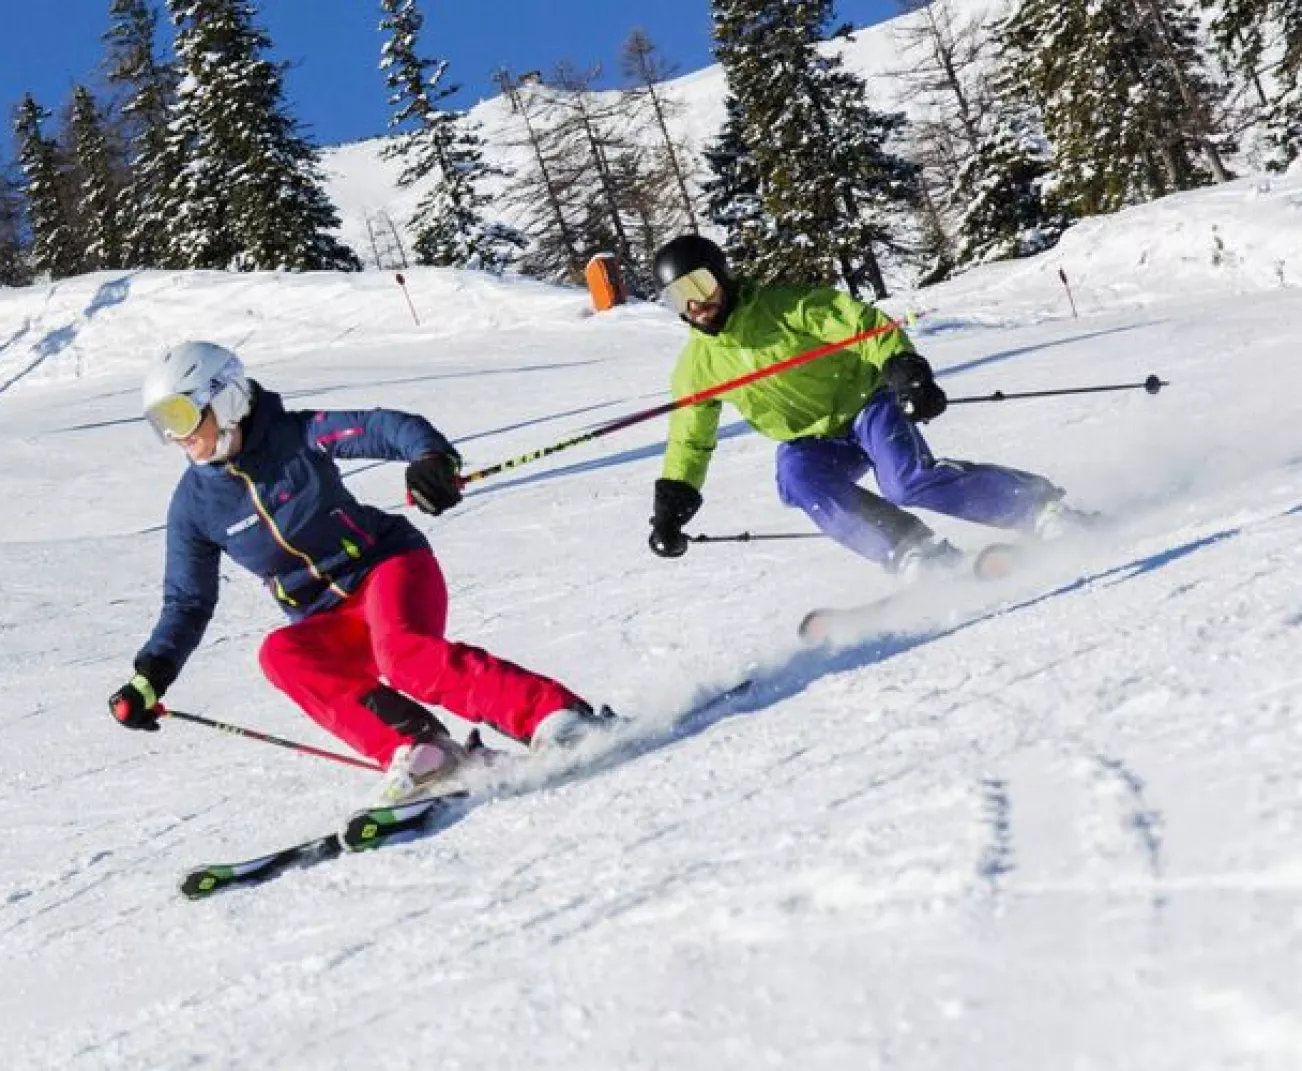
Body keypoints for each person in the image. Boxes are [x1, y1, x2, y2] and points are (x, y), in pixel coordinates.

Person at [108, 341, 609, 805]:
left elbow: (386, 427)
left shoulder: (296, 436)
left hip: (386, 567)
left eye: (182, 413)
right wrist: (152, 674)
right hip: (324, 617)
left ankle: (557, 717)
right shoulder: (194, 506)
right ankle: (424, 753)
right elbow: (188, 602)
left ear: (227, 398)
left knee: (406, 657)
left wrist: (431, 459)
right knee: (282, 654)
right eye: (161, 424)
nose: (178, 435)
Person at [645, 235, 1090, 577]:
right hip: (813, 442)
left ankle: (1037, 508)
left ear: (721, 275)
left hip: (866, 405)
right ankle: (910, 549)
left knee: (906, 482)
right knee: (797, 477)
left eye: (700, 285)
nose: (696, 304)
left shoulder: (784, 308)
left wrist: (902, 368)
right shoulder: (697, 367)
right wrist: (673, 503)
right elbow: (690, 437)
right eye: (678, 298)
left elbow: (860, 325)